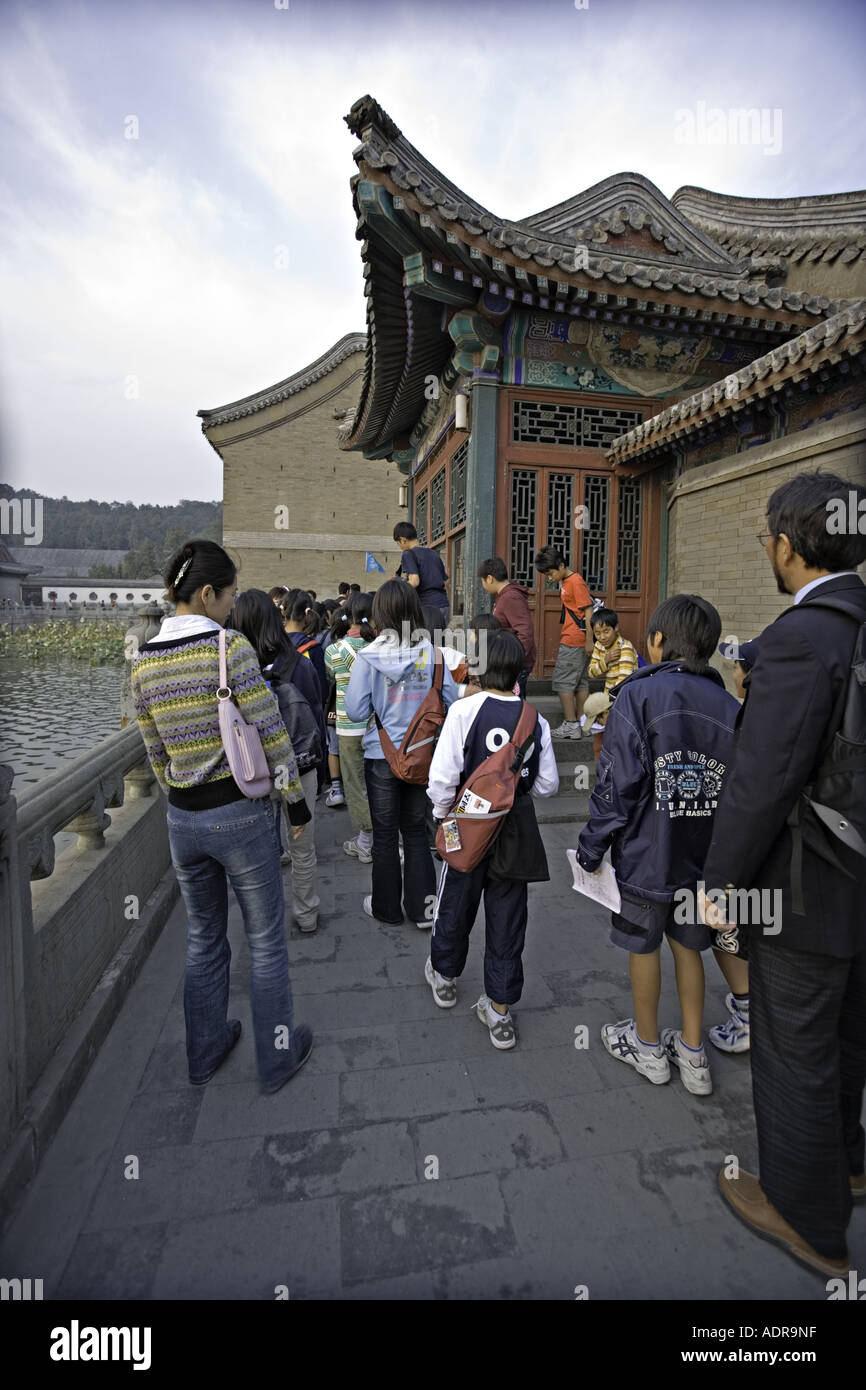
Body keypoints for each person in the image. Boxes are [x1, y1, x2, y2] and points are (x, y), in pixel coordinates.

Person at [699, 471, 866, 1278]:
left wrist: (719, 883)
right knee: (846, 1036)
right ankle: (850, 1163)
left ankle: (808, 1218)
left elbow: (761, 782)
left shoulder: (803, 639)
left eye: (766, 538)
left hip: (806, 886)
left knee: (796, 1043)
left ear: (788, 547)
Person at [130, 539, 313, 1094]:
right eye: (229, 596)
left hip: (183, 821)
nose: (232, 607)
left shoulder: (144, 663)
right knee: (264, 940)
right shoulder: (227, 648)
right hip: (239, 814)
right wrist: (296, 805)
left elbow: (155, 751)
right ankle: (277, 1058)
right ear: (207, 593)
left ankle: (204, 1052)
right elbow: (271, 734)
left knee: (204, 936)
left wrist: (180, 796)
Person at [576, 595, 739, 1097]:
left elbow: (617, 784)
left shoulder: (637, 697)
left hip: (647, 858)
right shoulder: (730, 708)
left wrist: (591, 847)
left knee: (642, 948)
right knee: (691, 947)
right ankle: (693, 1054)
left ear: (657, 642)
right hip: (702, 860)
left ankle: (647, 1047)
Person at [426, 630, 558, 1047]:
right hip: (515, 830)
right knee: (508, 918)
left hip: (466, 824)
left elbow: (443, 779)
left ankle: (445, 976)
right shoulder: (536, 719)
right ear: (520, 670)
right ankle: (499, 1010)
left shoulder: (463, 711)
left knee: (454, 902)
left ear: (480, 669)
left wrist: (441, 818)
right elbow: (548, 786)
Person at [344, 579, 458, 927]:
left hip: (381, 758)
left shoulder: (369, 657)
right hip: (422, 759)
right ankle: (424, 911)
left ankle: (387, 908)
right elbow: (451, 703)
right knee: (415, 833)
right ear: (414, 611)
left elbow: (355, 710)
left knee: (384, 835)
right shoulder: (434, 655)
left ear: (379, 613)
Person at [229, 589, 324, 934]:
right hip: (299, 767)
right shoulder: (298, 661)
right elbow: (316, 709)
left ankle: (264, 920)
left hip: (255, 770)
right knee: (303, 846)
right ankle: (307, 914)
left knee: (263, 852)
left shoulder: (235, 667)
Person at [325, 592, 376, 864]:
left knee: (356, 785)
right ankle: (385, 837)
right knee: (380, 783)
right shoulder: (379, 647)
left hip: (347, 727)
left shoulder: (334, 650)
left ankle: (365, 841)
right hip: (377, 727)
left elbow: (330, 677)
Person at [534, 545, 594, 739]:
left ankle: (571, 724)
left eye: (551, 573)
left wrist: (589, 640)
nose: (550, 578)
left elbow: (588, 611)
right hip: (575, 637)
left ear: (561, 566)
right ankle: (581, 723)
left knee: (562, 682)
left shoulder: (575, 582)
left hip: (574, 639)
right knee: (579, 683)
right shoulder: (567, 581)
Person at [477, 557, 537, 697]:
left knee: (514, 703)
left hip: (514, 664)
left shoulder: (510, 597)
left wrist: (514, 660)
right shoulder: (504, 595)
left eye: (483, 581)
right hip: (510, 661)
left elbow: (524, 632)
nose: (483, 585)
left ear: (490, 579)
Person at [393, 521, 450, 622]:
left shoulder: (408, 554)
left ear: (403, 540)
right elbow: (446, 581)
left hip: (427, 608)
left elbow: (414, 581)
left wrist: (400, 586)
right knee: (439, 637)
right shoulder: (433, 553)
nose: (400, 547)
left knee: (424, 637)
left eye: (398, 544)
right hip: (444, 605)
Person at [587, 607, 639, 696]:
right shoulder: (599, 646)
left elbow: (624, 680)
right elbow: (591, 673)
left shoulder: (624, 647)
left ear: (616, 628)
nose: (602, 637)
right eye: (598, 633)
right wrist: (606, 660)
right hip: (609, 696)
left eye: (606, 631)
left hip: (624, 697)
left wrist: (610, 702)